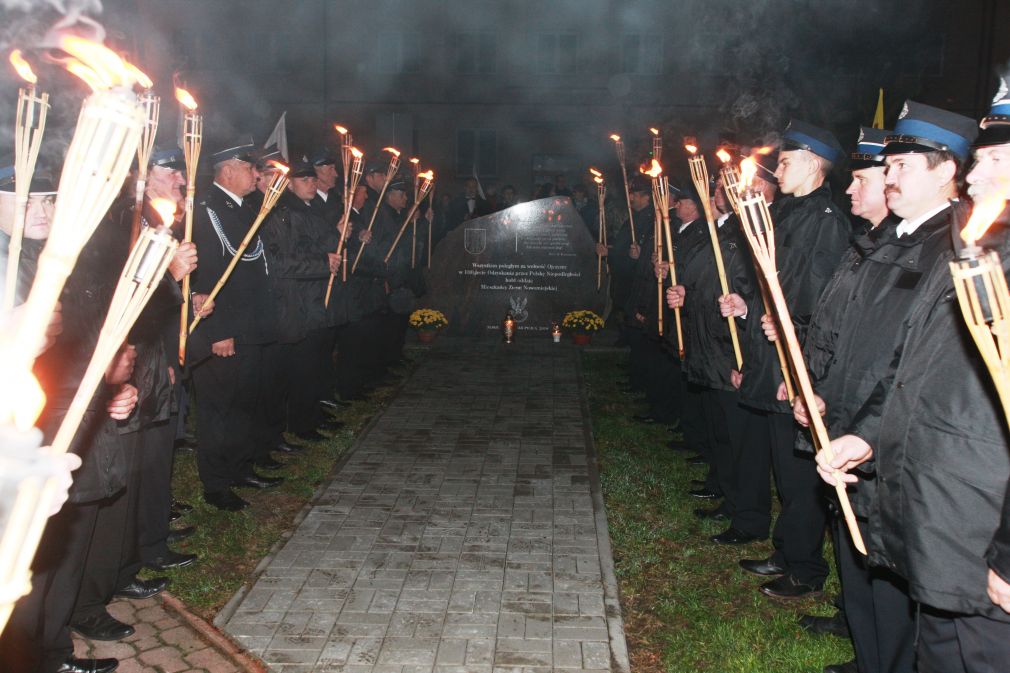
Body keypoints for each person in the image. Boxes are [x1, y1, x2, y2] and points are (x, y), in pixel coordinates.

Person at [819, 93, 1010, 672]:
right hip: (942, 505)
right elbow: (912, 364)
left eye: (995, 161)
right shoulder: (979, 250)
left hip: (982, 517)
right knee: (940, 651)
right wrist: (869, 435)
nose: (976, 174)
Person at [786, 127, 919, 673]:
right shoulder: (873, 243)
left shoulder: (919, 249)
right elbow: (835, 323)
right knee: (850, 537)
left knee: (878, 550)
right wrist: (812, 386)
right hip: (841, 406)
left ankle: (882, 657)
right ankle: (865, 646)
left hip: (875, 421)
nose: (856, 189)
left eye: (872, 176)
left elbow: (897, 352)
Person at [727, 119, 851, 599]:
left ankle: (805, 567)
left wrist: (794, 354)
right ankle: (786, 549)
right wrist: (747, 307)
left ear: (814, 165)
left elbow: (819, 298)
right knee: (784, 464)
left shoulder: (824, 220)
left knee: (801, 474)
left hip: (794, 362)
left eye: (786, 161)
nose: (777, 169)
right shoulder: (789, 213)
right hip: (771, 353)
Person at [188, 141, 280, 512]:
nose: (256, 175)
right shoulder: (206, 209)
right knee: (218, 410)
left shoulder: (244, 208)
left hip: (252, 325)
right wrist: (218, 330)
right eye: (250, 167)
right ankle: (217, 483)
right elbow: (207, 274)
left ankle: (240, 467)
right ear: (227, 169)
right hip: (224, 329)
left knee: (244, 403)